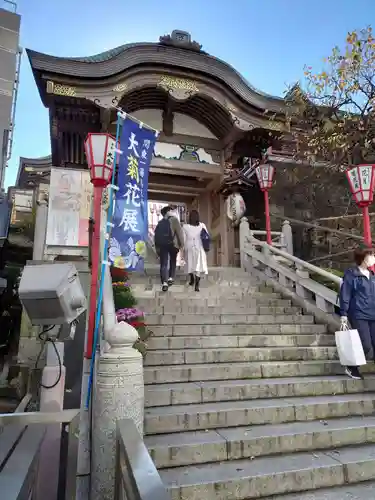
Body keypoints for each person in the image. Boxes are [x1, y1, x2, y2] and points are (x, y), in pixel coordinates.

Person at [339, 246, 375, 380]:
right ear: (363, 258)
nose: (373, 258)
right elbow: (345, 294)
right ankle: (352, 367)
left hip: (373, 314)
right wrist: (344, 313)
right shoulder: (351, 274)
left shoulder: (372, 276)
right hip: (359, 315)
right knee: (366, 345)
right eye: (371, 255)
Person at [154, 205, 184, 292]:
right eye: (171, 210)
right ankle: (171, 278)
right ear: (168, 211)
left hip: (163, 245)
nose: (172, 211)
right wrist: (182, 245)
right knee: (173, 261)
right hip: (173, 244)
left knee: (163, 263)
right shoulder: (174, 220)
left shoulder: (160, 223)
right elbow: (179, 233)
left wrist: (157, 249)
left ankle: (164, 282)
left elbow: (156, 237)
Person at [182, 210, 208, 292]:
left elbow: (183, 239)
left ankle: (192, 279)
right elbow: (206, 235)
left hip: (189, 248)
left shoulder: (185, 227)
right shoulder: (202, 225)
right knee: (198, 266)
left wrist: (182, 248)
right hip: (199, 247)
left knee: (189, 264)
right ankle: (197, 285)